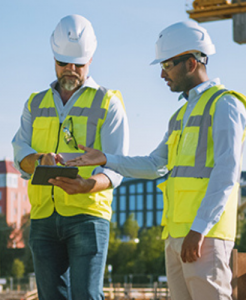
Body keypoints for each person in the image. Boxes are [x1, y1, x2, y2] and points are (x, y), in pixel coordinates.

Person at [66, 20, 246, 300]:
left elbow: (227, 171)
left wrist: (198, 229)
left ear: (190, 63)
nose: (162, 75)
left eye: (166, 65)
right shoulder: (180, 116)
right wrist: (105, 158)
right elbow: (154, 165)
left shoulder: (224, 104)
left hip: (205, 236)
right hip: (176, 236)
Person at [12, 14, 129, 300]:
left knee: (87, 295)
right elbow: (20, 152)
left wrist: (87, 185)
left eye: (78, 64)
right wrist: (40, 161)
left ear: (90, 60)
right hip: (42, 217)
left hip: (87, 216)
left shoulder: (108, 102)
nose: (70, 70)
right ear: (53, 59)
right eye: (63, 63)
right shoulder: (35, 102)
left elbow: (117, 167)